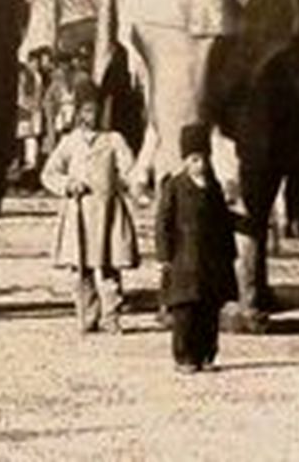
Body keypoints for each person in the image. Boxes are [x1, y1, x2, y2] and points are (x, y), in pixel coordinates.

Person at [42, 89, 140, 334]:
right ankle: (87, 315)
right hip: (79, 213)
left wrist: (133, 184)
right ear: (78, 113)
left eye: (96, 111)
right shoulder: (70, 142)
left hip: (107, 212)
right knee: (80, 267)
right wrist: (67, 184)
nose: (92, 116)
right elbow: (49, 173)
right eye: (86, 111)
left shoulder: (114, 140)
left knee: (109, 266)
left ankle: (111, 316)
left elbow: (129, 169)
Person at [156, 122, 238, 373]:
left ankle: (207, 355)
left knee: (209, 310)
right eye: (194, 159)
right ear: (185, 161)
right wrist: (164, 255)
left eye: (204, 159)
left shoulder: (213, 187)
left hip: (211, 262)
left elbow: (223, 222)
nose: (200, 165)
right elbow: (163, 222)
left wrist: (229, 252)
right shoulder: (174, 186)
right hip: (184, 260)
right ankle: (184, 357)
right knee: (186, 311)